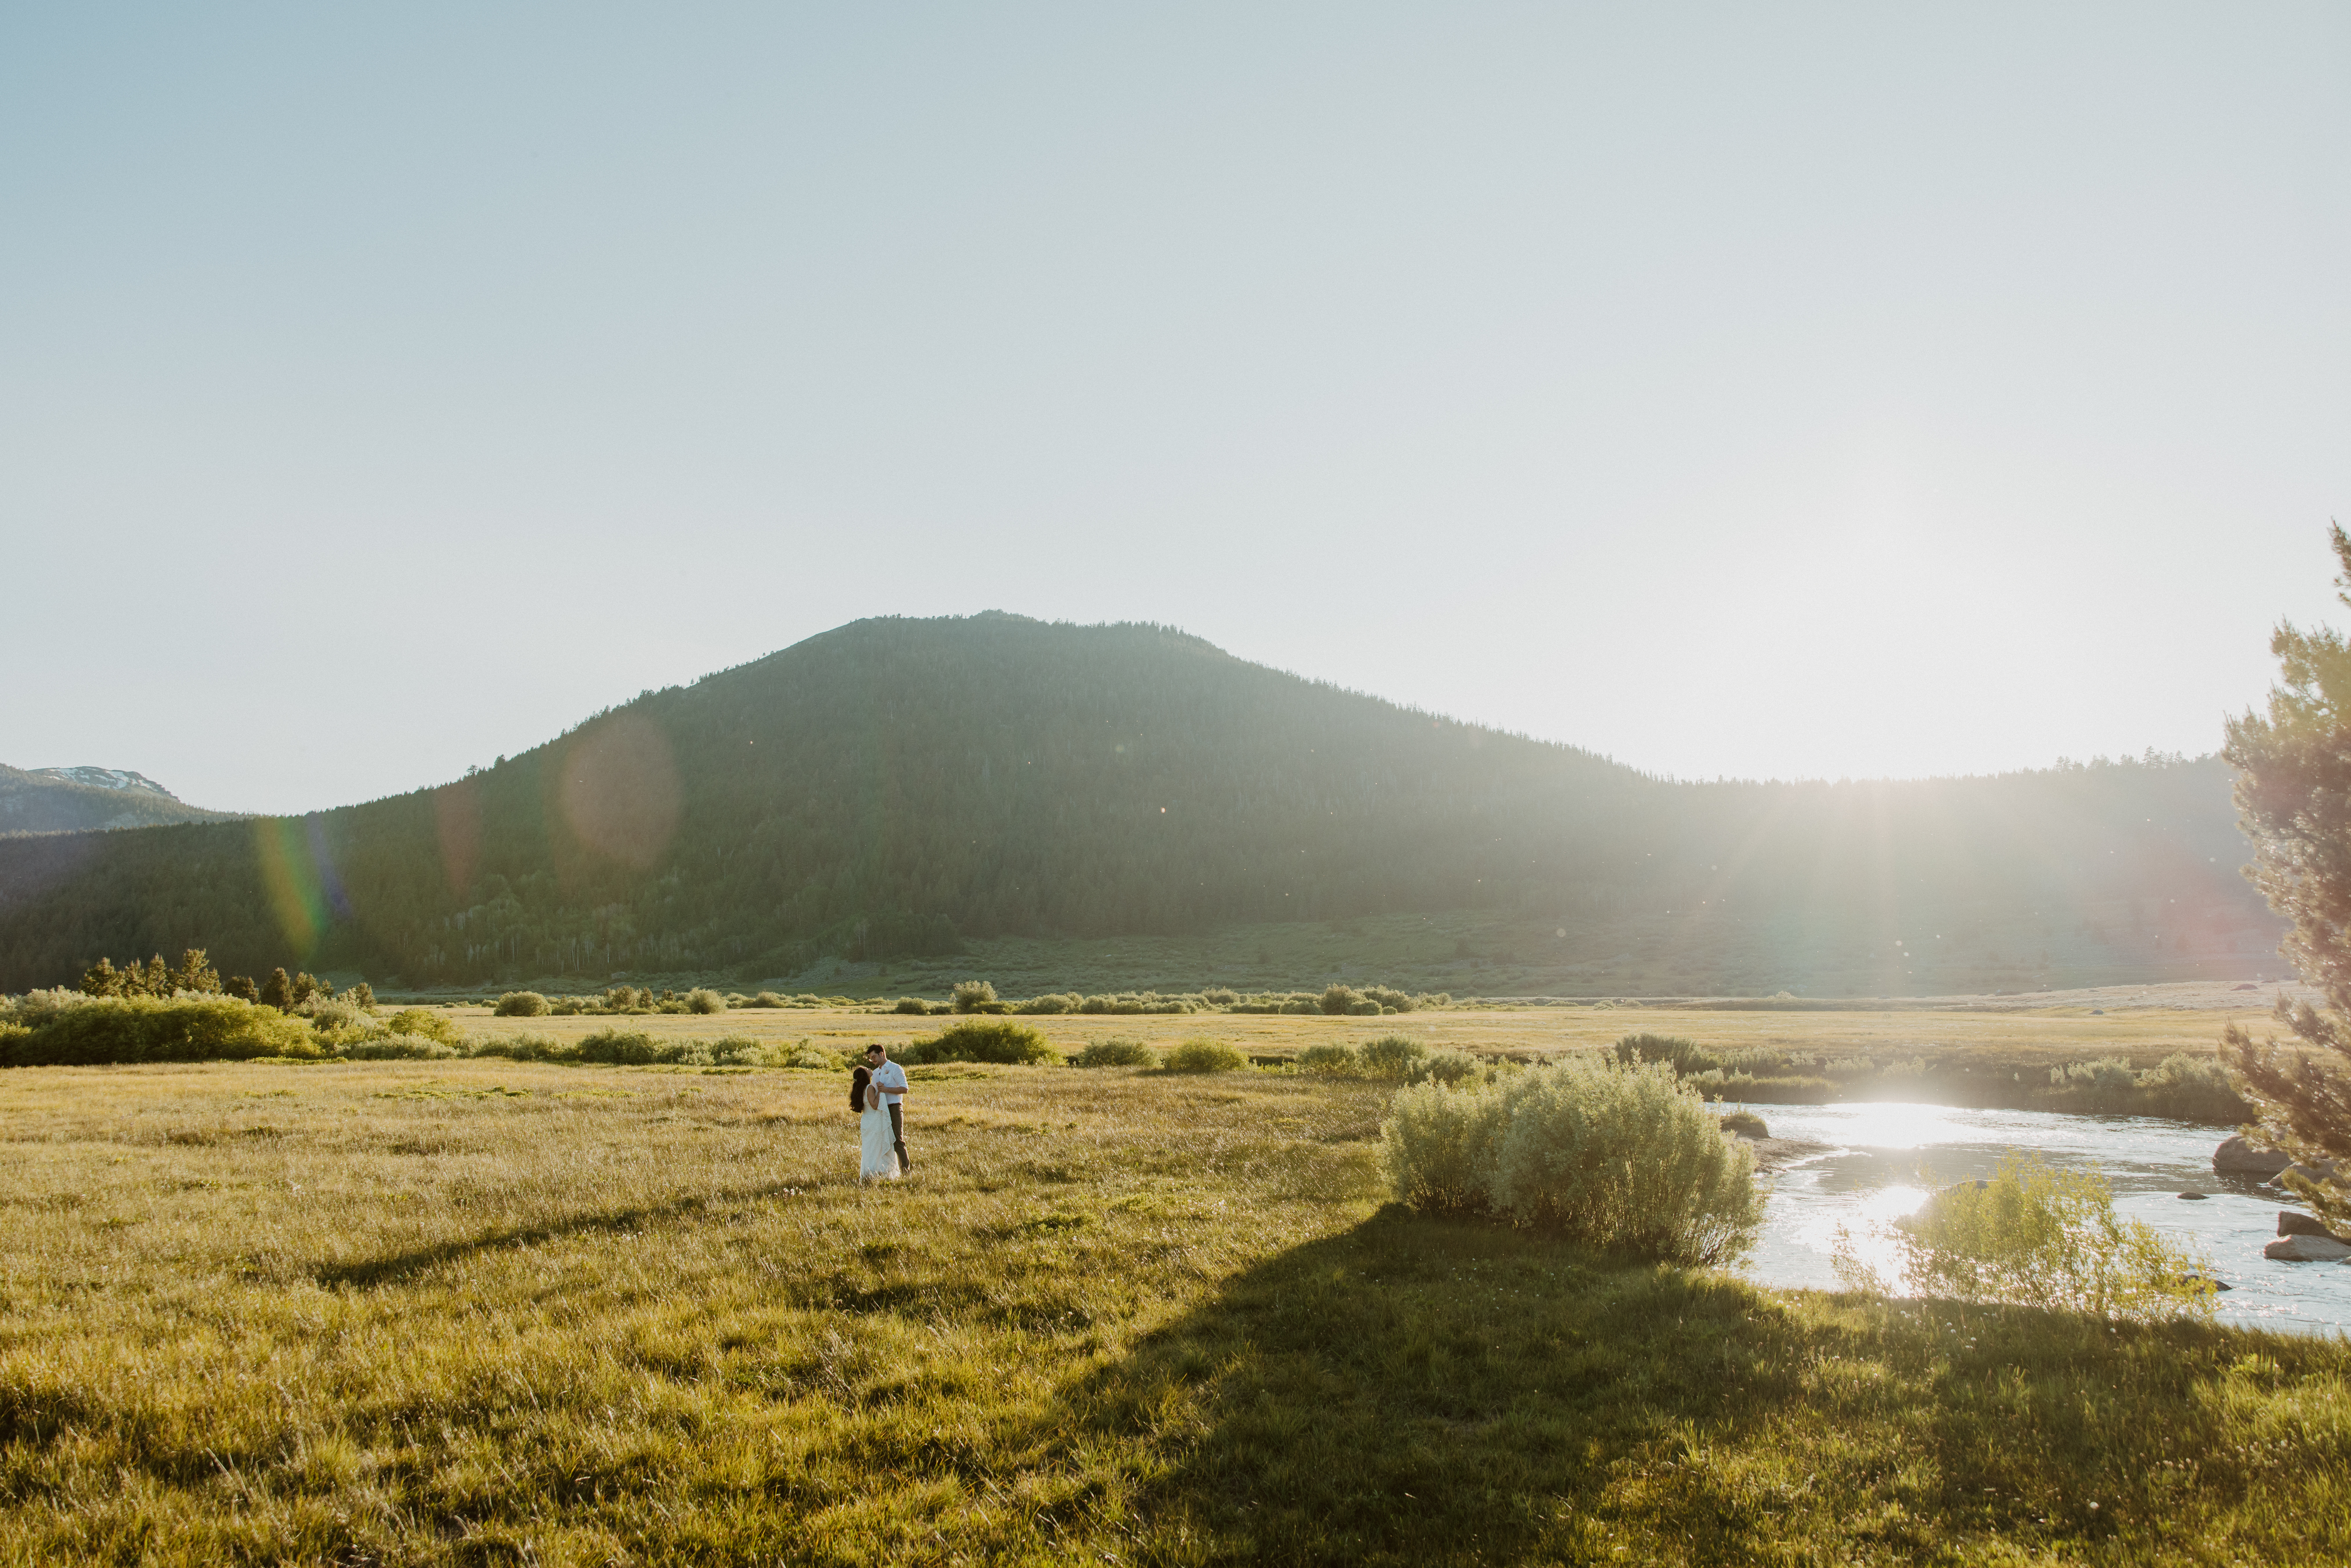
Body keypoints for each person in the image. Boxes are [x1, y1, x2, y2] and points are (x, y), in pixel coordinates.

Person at [865, 1041, 911, 1175]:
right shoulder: (876, 1073)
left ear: (882, 1054)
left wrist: (886, 1089)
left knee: (898, 1140)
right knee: (884, 1141)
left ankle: (906, 1172)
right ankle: (887, 1171)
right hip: (881, 1110)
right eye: (871, 1059)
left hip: (895, 1108)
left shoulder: (896, 1068)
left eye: (874, 1057)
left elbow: (905, 1089)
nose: (872, 1061)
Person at [853, 1056, 898, 1180]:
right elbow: (874, 1105)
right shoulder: (869, 1088)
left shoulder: (860, 1089)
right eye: (866, 1069)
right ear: (865, 1075)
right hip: (874, 1121)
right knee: (877, 1147)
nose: (869, 1069)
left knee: (870, 1149)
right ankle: (879, 1172)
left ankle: (870, 1172)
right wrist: (881, 1091)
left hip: (867, 1121)